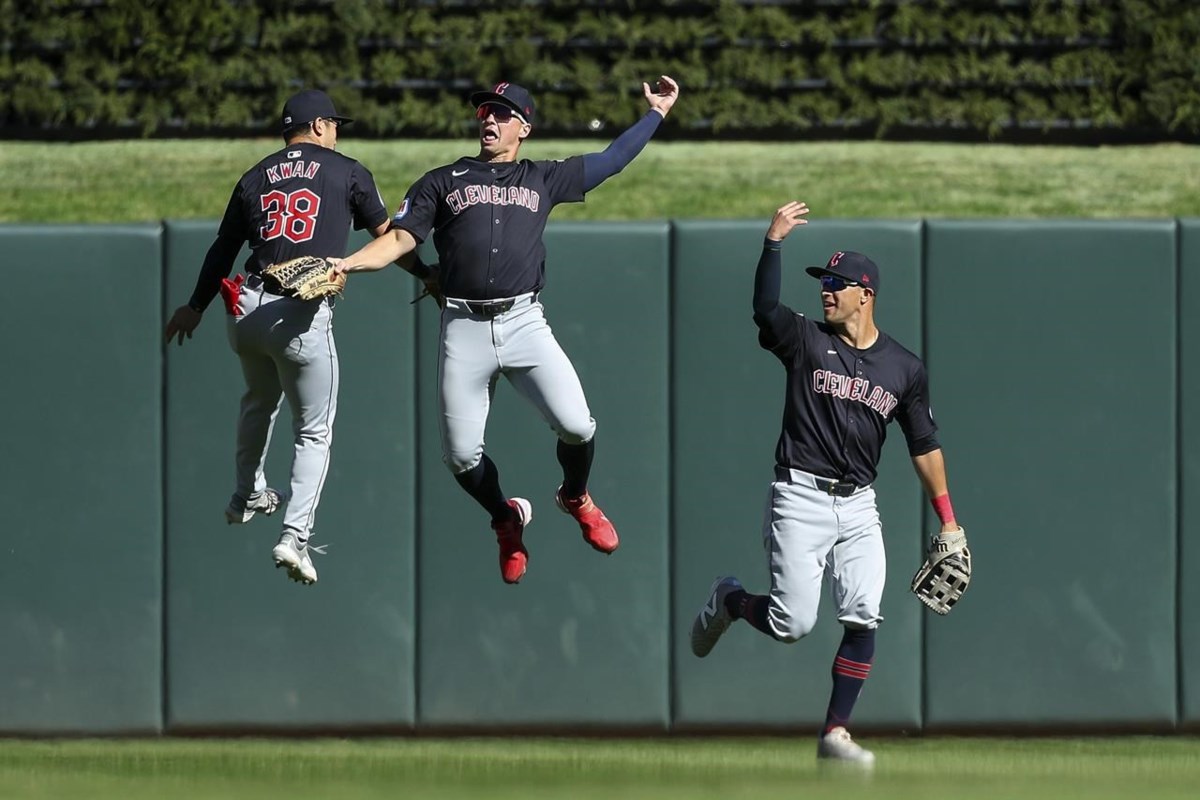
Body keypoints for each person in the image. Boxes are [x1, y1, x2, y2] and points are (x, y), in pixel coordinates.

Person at [331, 77, 680, 584]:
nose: (489, 120)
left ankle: (575, 496)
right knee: (459, 456)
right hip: (464, 325)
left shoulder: (543, 177)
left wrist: (656, 114)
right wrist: (350, 263)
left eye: (501, 113)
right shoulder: (442, 180)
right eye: (484, 113)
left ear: (524, 127)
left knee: (579, 426)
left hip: (522, 322)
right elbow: (401, 239)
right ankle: (505, 517)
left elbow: (612, 159)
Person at [688, 201, 966, 765]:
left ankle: (835, 732)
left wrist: (949, 520)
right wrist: (773, 243)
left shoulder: (904, 368)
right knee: (793, 624)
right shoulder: (805, 341)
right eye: (823, 282)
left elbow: (924, 445)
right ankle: (729, 599)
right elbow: (765, 307)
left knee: (865, 612)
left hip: (860, 506)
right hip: (799, 497)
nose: (826, 291)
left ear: (866, 294)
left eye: (836, 283)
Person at [164, 89, 430, 586]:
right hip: (300, 316)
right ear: (322, 125)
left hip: (245, 309)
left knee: (259, 400)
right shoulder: (347, 170)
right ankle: (294, 536)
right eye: (336, 124)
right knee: (313, 430)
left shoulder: (253, 176)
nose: (338, 132)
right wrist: (429, 276)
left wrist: (194, 306)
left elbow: (223, 249)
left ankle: (246, 492)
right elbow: (389, 237)